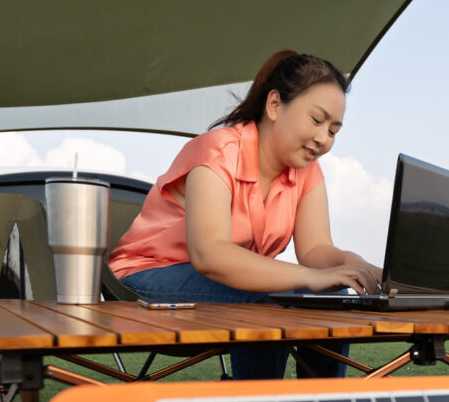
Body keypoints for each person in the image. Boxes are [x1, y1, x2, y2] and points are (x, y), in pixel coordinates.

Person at [108, 50, 380, 379]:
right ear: (275, 105)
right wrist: (309, 277)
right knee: (271, 302)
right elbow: (210, 254)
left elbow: (316, 250)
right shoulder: (218, 151)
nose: (323, 138)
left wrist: (358, 267)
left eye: (334, 130)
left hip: (230, 285)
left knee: (332, 296)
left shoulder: (307, 171)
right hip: (148, 276)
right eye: (316, 120)